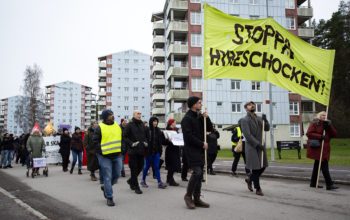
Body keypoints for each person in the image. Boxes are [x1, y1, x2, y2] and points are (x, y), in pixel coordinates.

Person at [181, 96, 213, 209]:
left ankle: (197, 198)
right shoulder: (187, 119)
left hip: (200, 150)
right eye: (199, 103)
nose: (201, 104)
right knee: (197, 172)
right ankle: (188, 196)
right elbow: (188, 137)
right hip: (191, 150)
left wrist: (206, 118)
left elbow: (209, 129)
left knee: (200, 175)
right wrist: (201, 143)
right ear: (193, 104)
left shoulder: (199, 117)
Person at [93, 109, 123, 206]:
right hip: (104, 156)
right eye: (110, 115)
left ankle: (106, 187)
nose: (112, 116)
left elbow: (122, 139)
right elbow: (95, 141)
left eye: (112, 114)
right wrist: (102, 151)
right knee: (107, 176)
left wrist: (122, 150)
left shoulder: (117, 126)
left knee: (117, 174)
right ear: (105, 117)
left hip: (117, 155)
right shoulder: (100, 127)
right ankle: (109, 197)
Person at [240, 101, 270, 196]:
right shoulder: (244, 120)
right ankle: (258, 188)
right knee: (256, 168)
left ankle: (250, 179)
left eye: (253, 104)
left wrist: (266, 121)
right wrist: (257, 144)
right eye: (249, 105)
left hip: (261, 146)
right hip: (252, 146)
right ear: (246, 108)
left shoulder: (260, 118)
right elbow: (247, 135)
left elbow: (267, 129)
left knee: (263, 165)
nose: (252, 106)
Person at [306, 111, 338, 190]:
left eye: (325, 115)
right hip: (318, 148)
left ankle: (313, 183)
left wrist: (329, 126)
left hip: (325, 148)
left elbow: (334, 134)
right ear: (319, 116)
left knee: (317, 166)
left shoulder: (327, 124)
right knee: (324, 165)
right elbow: (309, 133)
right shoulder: (315, 123)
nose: (324, 116)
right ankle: (329, 184)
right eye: (322, 115)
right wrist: (320, 136)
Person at [123, 110, 149, 194]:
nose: (139, 115)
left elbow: (145, 136)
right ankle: (136, 186)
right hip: (133, 151)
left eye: (140, 113)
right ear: (134, 115)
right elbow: (124, 136)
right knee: (134, 169)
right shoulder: (130, 125)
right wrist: (131, 143)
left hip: (141, 150)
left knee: (141, 167)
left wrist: (146, 142)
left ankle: (131, 180)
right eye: (138, 113)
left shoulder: (142, 124)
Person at [141, 116, 167, 189]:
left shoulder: (159, 131)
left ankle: (159, 182)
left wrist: (168, 139)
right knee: (147, 167)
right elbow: (143, 139)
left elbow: (162, 141)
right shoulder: (147, 130)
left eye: (156, 121)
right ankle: (143, 180)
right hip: (148, 152)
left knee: (156, 167)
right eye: (154, 121)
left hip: (156, 153)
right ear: (151, 122)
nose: (155, 122)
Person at [164, 119, 182, 186]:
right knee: (172, 165)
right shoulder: (167, 131)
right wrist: (168, 140)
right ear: (171, 123)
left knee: (174, 165)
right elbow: (164, 142)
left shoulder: (176, 130)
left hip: (176, 149)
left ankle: (169, 178)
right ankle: (171, 180)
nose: (175, 123)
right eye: (174, 122)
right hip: (170, 150)